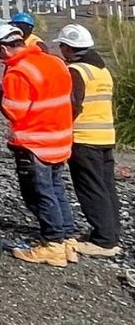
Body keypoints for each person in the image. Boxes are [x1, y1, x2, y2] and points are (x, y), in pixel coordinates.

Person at [0, 25, 77, 266]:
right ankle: (68, 239)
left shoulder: (19, 72)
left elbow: (14, 111)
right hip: (60, 139)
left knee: (39, 194)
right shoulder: (55, 62)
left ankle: (53, 244)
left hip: (35, 143)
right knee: (57, 189)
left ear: (4, 49)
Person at [54, 23, 122, 257]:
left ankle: (103, 241)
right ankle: (111, 234)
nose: (62, 51)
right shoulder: (102, 70)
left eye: (62, 47)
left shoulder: (77, 71)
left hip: (84, 138)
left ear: (70, 48)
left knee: (90, 188)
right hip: (105, 136)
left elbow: (72, 105)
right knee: (106, 187)